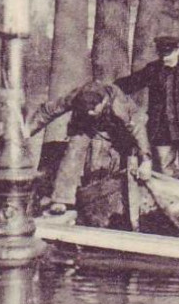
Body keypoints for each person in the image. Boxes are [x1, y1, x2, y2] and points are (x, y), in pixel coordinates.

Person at [28, 78, 153, 219]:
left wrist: (146, 159)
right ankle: (62, 199)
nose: (90, 113)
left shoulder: (119, 105)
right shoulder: (76, 97)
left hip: (117, 127)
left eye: (93, 109)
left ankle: (120, 201)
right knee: (73, 150)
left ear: (103, 101)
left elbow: (137, 129)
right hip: (85, 126)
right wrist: (28, 130)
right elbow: (48, 111)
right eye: (87, 109)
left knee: (123, 162)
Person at [116, 34, 179, 182]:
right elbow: (130, 84)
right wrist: (108, 88)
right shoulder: (152, 69)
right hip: (162, 129)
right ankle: (169, 201)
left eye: (168, 54)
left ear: (177, 51)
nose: (165, 58)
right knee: (164, 170)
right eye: (161, 54)